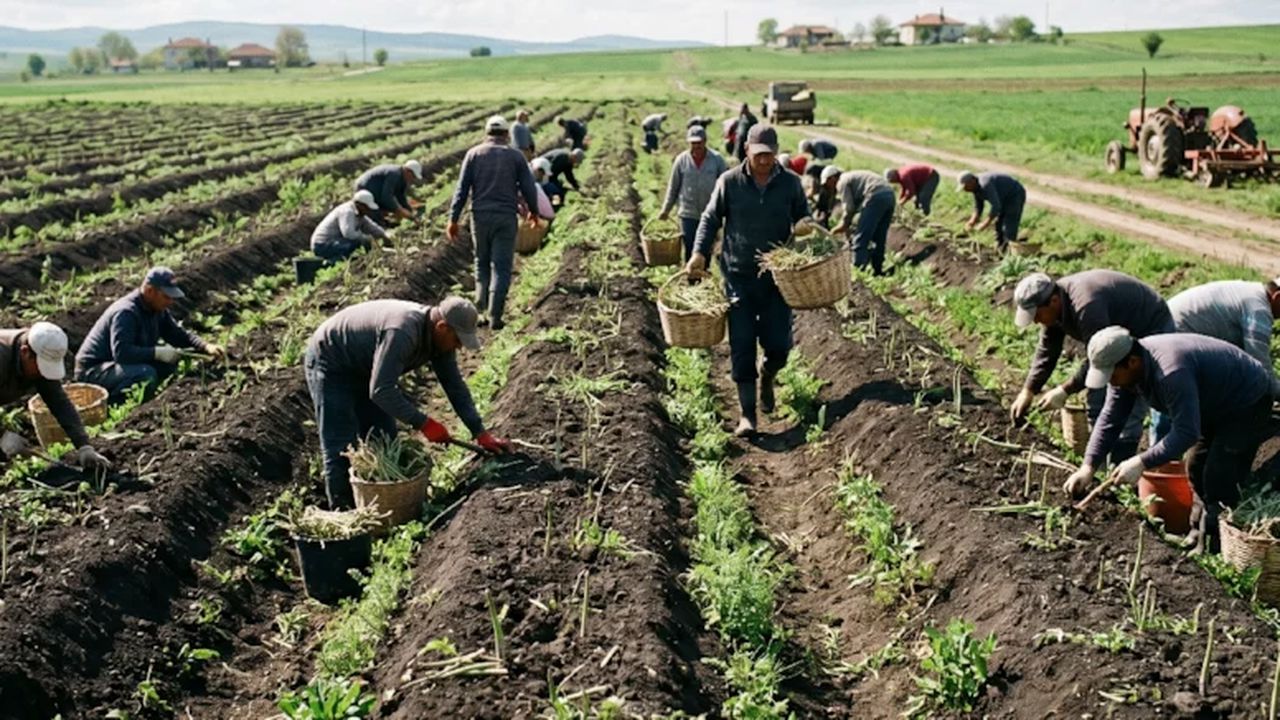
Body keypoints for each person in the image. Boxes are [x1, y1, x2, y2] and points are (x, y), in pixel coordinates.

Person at [1065, 327, 1273, 549]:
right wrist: (1088, 466)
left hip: (1247, 401)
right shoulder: (1126, 372)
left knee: (1219, 476)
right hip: (1212, 402)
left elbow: (1186, 433)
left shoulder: (1170, 373)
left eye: (1113, 376)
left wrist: (1142, 461)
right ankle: (1196, 533)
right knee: (1195, 467)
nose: (1112, 382)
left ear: (1132, 362)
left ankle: (1214, 546)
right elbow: (1111, 418)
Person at [304, 297, 511, 508]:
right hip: (331, 362)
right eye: (458, 340)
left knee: (384, 439)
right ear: (442, 327)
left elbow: (454, 386)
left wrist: (480, 432)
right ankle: (344, 514)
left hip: (366, 368)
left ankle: (381, 508)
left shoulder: (439, 340)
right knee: (340, 445)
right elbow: (382, 391)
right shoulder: (402, 332)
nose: (459, 347)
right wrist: (424, 423)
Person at [685, 125, 811, 437]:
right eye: (758, 155)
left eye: (769, 154)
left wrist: (805, 225)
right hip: (737, 276)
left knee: (779, 345)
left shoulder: (790, 183)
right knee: (741, 345)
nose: (764, 160)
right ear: (747, 151)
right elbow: (710, 218)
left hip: (777, 280)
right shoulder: (730, 182)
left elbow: (803, 215)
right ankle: (747, 415)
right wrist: (699, 253)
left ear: (776, 151)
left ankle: (768, 374)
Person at [1009, 270, 1174, 464]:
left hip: (1149, 329)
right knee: (1097, 400)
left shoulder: (1086, 306)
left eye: (1037, 314)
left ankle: (1125, 464)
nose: (1036, 321)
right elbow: (1048, 348)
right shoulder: (1056, 305)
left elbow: (1100, 359)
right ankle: (1099, 465)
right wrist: (1028, 390)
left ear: (1053, 301)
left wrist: (1064, 390)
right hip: (1114, 339)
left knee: (1130, 399)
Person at [448, 116, 547, 331]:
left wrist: (453, 219)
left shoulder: (473, 154)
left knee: (481, 261)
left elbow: (462, 189)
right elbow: (529, 187)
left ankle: (480, 309)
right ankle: (495, 316)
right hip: (505, 216)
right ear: (507, 134)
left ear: (486, 133)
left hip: (479, 216)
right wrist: (533, 212)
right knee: (501, 266)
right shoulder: (516, 156)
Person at [75, 267, 226, 403]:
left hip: (118, 366)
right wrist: (156, 353)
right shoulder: (126, 313)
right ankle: (111, 406)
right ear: (149, 291)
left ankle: (144, 397)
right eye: (166, 296)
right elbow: (122, 353)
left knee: (168, 366)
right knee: (145, 375)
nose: (170, 301)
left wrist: (206, 346)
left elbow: (177, 334)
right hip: (94, 371)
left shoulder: (157, 309)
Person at [1, 322, 110, 469]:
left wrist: (84, 446)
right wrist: (2, 435)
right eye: (41, 367)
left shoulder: (39, 355)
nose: (43, 374)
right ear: (25, 352)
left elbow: (58, 402)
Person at [1167, 278, 1280, 398]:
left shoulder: (1251, 291)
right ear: (1278, 297)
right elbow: (1260, 369)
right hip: (1176, 338)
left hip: (1169, 329)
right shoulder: (1258, 310)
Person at [658, 125, 728, 261]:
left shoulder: (717, 160)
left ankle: (704, 272)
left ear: (705, 141)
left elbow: (725, 187)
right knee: (690, 248)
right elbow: (673, 187)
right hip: (688, 213)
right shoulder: (681, 160)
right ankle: (690, 272)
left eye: (699, 143)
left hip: (710, 213)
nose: (696, 146)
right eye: (693, 143)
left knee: (706, 249)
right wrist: (665, 210)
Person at [834, 170, 896, 276]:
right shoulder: (853, 177)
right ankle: (878, 270)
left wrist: (842, 225)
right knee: (879, 237)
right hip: (890, 195)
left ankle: (857, 272)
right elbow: (856, 208)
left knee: (861, 237)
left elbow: (849, 208)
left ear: (832, 178)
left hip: (875, 195)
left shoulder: (842, 182)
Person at [310, 190, 388, 262]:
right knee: (354, 244)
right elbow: (348, 234)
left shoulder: (360, 215)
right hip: (321, 245)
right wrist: (367, 239)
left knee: (358, 243)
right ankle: (333, 262)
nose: (368, 211)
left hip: (335, 242)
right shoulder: (347, 211)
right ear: (359, 204)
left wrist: (384, 236)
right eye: (366, 207)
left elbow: (371, 227)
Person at [958, 170, 1026, 249]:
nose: (965, 190)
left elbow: (996, 207)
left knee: (1009, 224)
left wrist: (984, 224)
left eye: (966, 187)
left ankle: (1010, 248)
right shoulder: (975, 188)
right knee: (998, 225)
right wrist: (971, 222)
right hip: (1003, 197)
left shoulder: (985, 184)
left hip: (1014, 194)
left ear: (972, 181)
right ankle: (1000, 247)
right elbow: (978, 207)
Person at [354, 160, 424, 226]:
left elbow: (401, 197)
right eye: (413, 176)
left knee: (386, 213)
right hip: (365, 187)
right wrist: (401, 211)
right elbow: (387, 197)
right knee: (375, 217)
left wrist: (410, 211)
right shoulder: (394, 174)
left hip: (377, 191)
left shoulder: (403, 179)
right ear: (407, 171)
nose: (413, 179)